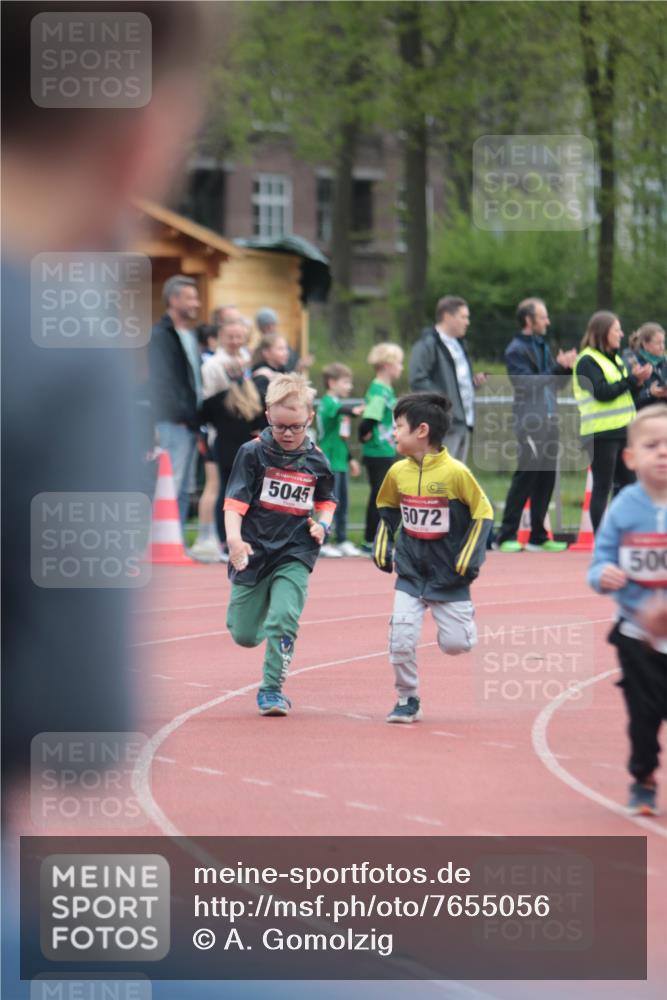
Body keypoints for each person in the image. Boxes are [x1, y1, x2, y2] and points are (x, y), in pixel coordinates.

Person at [372, 393, 493, 723]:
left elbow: (483, 512)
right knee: (400, 639)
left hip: (449, 573)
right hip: (411, 571)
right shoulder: (397, 472)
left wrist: (469, 556)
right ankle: (407, 698)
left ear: (421, 430)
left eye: (398, 426)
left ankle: (463, 624)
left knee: (456, 644)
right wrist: (383, 543)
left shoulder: (456, 473)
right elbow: (387, 508)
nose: (393, 432)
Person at [224, 373, 337, 716]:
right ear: (268, 416)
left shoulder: (317, 459)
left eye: (296, 427)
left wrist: (322, 526)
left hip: (296, 551)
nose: (288, 434)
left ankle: (271, 689)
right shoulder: (251, 453)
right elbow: (234, 504)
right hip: (254, 550)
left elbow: (327, 500)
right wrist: (234, 539)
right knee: (243, 635)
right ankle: (266, 623)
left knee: (284, 617)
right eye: (281, 426)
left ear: (310, 419)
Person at [588, 404, 667, 816]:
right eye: (652, 445)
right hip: (637, 635)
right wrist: (604, 575)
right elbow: (599, 562)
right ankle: (643, 776)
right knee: (644, 714)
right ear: (630, 457)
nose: (663, 452)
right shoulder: (623, 508)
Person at [495, 297, 577, 553]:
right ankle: (505, 535)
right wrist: (556, 367)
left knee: (546, 478)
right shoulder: (515, 350)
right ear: (529, 320)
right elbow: (526, 384)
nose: (548, 322)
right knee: (526, 476)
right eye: (543, 317)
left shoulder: (543, 346)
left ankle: (538, 537)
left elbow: (554, 384)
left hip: (550, 419)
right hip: (530, 422)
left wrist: (565, 369)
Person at [573, 311, 652, 533]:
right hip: (601, 433)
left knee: (630, 486)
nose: (621, 334)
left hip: (622, 431)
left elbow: (623, 394)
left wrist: (638, 383)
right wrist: (631, 380)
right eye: (617, 329)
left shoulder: (615, 359)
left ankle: (623, 534)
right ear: (603, 332)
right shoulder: (587, 360)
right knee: (602, 487)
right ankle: (602, 540)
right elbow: (602, 392)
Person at [148, 274, 203, 527]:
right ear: (173, 299)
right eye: (190, 298)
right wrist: (179, 414)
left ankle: (177, 541)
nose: (196, 303)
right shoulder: (161, 335)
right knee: (169, 484)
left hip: (191, 423)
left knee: (184, 489)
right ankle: (160, 540)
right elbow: (163, 380)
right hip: (173, 422)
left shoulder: (189, 336)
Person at [408, 295, 487, 460]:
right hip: (443, 424)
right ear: (447, 316)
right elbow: (417, 379)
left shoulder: (460, 344)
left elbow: (454, 382)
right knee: (439, 473)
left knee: (456, 474)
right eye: (463, 317)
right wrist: (444, 403)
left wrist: (472, 383)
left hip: (463, 422)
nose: (467, 322)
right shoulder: (428, 343)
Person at [359, 342, 404, 553]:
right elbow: (370, 418)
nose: (401, 367)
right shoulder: (379, 390)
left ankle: (378, 537)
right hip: (377, 451)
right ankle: (371, 539)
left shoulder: (387, 389)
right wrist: (363, 434)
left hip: (386, 449)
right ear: (387, 365)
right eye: (398, 363)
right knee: (380, 495)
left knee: (385, 494)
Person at [316, 363, 364, 557]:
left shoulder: (338, 405)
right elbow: (342, 410)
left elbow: (342, 437)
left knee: (343, 502)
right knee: (329, 503)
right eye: (345, 382)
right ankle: (324, 540)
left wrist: (351, 459)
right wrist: (359, 409)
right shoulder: (328, 402)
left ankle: (342, 539)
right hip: (328, 461)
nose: (349, 387)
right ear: (332, 382)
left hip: (340, 461)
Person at [255, 306, 314, 372]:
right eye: (267, 326)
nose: (271, 328)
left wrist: (300, 366)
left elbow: (287, 370)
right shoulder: (259, 352)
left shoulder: (282, 343)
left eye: (273, 325)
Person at [624, 323, 667, 410]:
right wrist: (650, 393)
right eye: (658, 343)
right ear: (645, 344)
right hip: (643, 415)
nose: (662, 347)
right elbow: (631, 399)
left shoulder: (664, 361)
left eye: (663, 342)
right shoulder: (632, 363)